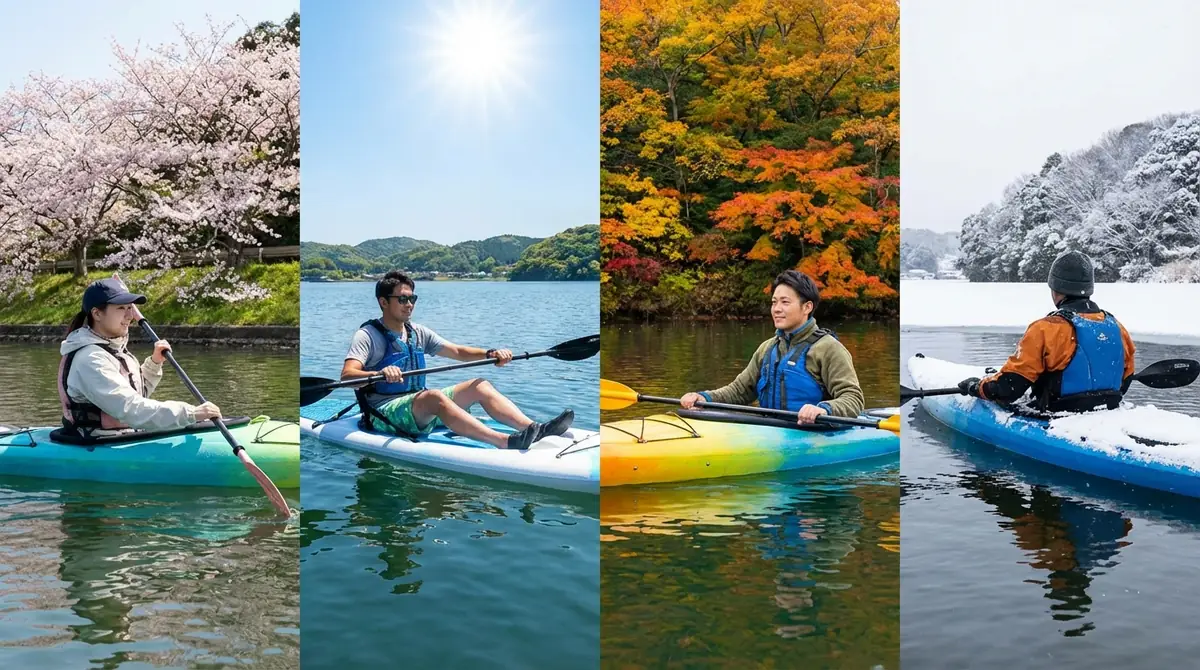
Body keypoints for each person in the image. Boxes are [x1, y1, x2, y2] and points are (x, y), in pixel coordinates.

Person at [341, 271, 574, 450]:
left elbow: (457, 351)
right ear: (383, 302)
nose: (409, 304)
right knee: (433, 396)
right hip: (383, 413)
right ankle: (504, 441)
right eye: (402, 299)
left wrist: (490, 354)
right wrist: (379, 374)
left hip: (417, 408)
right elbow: (347, 376)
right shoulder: (368, 335)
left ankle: (534, 429)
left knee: (479, 385)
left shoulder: (417, 332)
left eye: (412, 298)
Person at [956, 250, 1136, 413]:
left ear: (1055, 289)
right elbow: (1126, 380)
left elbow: (1009, 388)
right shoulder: (1117, 327)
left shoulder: (1046, 328)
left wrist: (977, 387)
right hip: (1106, 409)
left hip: (1059, 413)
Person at [679, 270, 866, 424]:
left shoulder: (828, 349)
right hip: (770, 431)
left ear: (807, 307)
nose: (776, 309)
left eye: (785, 302)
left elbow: (853, 398)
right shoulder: (767, 348)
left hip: (814, 434)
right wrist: (704, 398)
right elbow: (740, 390)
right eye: (774, 302)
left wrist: (824, 409)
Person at [58, 278, 222, 440]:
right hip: (98, 440)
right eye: (121, 308)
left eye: (130, 308)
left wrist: (154, 364)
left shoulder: (118, 352)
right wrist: (190, 413)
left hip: (122, 435)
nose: (129, 315)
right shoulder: (90, 359)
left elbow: (137, 394)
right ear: (97, 314)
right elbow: (130, 408)